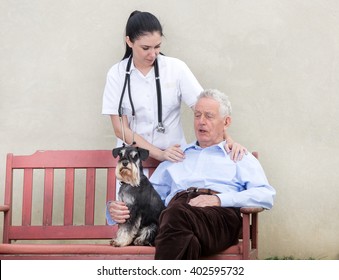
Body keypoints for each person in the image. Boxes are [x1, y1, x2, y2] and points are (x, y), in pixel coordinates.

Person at [108, 88, 276, 259]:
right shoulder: (176, 156)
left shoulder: (238, 156)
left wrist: (219, 199)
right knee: (188, 239)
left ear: (226, 122)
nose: (201, 122)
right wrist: (113, 210)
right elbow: (146, 195)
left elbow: (266, 195)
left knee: (174, 215)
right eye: (197, 115)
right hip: (176, 217)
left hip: (218, 216)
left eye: (209, 116)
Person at [102, 10, 246, 163]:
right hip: (132, 162)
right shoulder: (116, 74)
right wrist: (159, 154)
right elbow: (120, 129)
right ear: (129, 42)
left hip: (174, 159)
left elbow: (206, 108)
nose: (153, 54)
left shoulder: (176, 69)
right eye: (146, 48)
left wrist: (228, 140)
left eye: (157, 46)